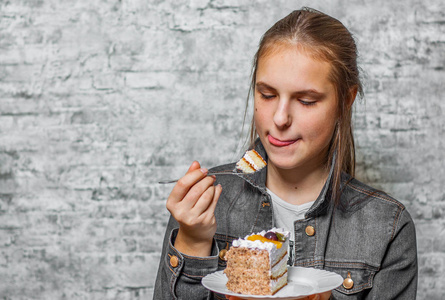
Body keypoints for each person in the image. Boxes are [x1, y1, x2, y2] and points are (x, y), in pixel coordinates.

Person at [153, 7, 418, 300]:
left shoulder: (387, 228)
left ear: (346, 101)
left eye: (305, 101)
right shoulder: (202, 208)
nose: (280, 118)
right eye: (267, 95)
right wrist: (192, 241)